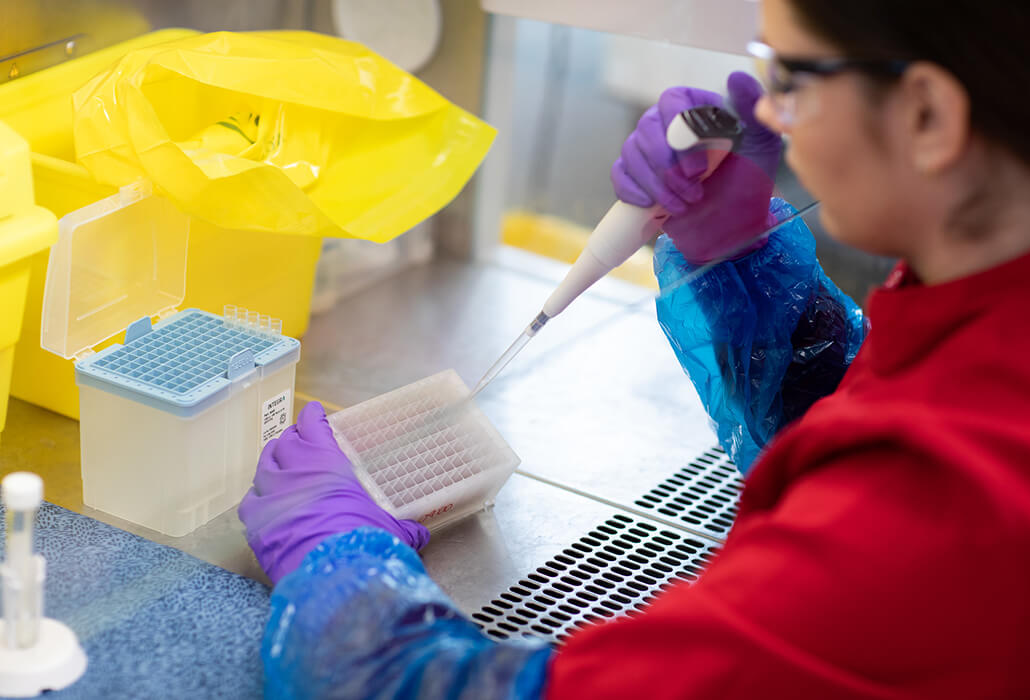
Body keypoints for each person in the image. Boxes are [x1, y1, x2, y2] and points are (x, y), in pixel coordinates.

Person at [238, 0, 1030, 696]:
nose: (775, 116)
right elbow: (864, 409)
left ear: (928, 114)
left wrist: (337, 558)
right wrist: (738, 258)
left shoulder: (945, 503)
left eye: (791, 76)